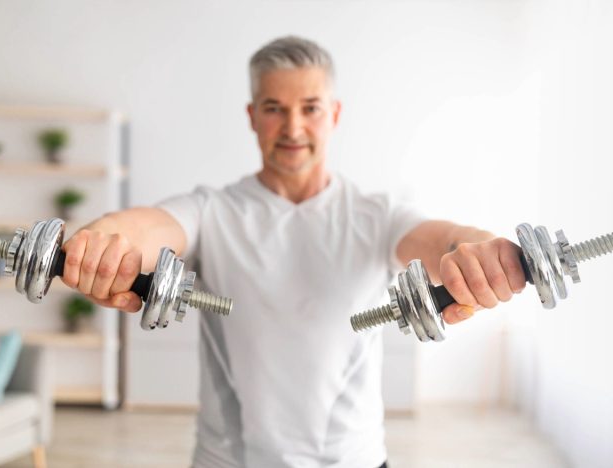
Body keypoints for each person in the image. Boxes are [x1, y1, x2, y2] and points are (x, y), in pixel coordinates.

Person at [60, 36, 526, 468]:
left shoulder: (377, 215)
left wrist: (480, 251)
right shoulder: (212, 210)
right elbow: (149, 227)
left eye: (310, 108)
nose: (293, 127)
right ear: (251, 116)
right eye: (274, 108)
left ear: (335, 114)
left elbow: (443, 239)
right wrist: (105, 237)